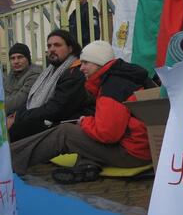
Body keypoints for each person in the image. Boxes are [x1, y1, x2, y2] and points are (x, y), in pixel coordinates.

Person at [11, 40, 154, 184]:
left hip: (132, 153)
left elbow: (108, 134)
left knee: (64, 132)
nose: (81, 68)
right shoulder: (122, 78)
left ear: (99, 63)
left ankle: (9, 159)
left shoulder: (112, 87)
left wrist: (85, 122)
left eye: (85, 63)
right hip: (144, 147)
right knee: (81, 135)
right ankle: (87, 166)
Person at [7, 29, 92, 142]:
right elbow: (31, 99)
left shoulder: (75, 72)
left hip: (63, 124)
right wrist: (17, 115)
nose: (51, 49)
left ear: (70, 48)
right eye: (49, 46)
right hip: (46, 119)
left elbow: (56, 109)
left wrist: (18, 118)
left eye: (57, 45)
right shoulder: (50, 71)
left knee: (11, 132)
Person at [4, 43, 42, 116]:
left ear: (28, 58)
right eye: (12, 58)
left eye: (20, 57)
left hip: (24, 117)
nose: (16, 61)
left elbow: (18, 102)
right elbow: (4, 93)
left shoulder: (35, 74)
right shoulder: (13, 72)